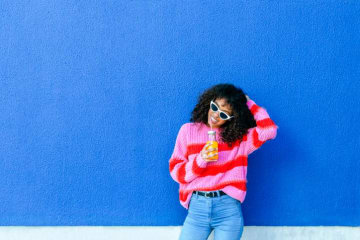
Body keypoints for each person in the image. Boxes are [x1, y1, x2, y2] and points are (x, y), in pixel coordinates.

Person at [169, 83, 278, 240]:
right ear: (209, 101)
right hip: (197, 209)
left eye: (224, 114)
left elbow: (269, 130)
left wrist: (248, 103)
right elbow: (176, 172)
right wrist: (201, 160)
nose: (216, 115)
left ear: (233, 118)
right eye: (215, 107)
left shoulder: (240, 139)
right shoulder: (188, 131)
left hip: (228, 209)